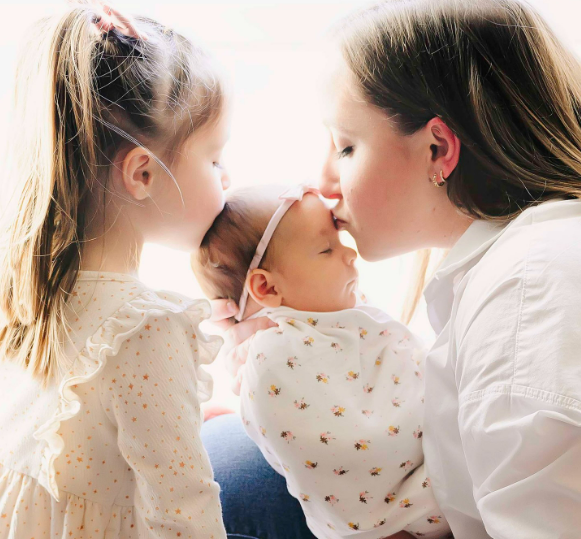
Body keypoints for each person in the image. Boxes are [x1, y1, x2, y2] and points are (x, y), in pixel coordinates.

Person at [203, 0, 581, 538]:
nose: (322, 183)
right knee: (227, 456)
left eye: (347, 146)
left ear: (438, 149)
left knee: (217, 483)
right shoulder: (503, 263)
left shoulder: (528, 303)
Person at [0, 2, 230, 537]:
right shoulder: (147, 329)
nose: (227, 177)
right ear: (143, 173)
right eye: (215, 159)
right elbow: (185, 515)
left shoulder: (35, 289)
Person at [193, 184, 450, 538]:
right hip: (399, 518)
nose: (349, 254)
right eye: (326, 248)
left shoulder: (338, 319)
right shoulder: (275, 359)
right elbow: (339, 450)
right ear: (266, 288)